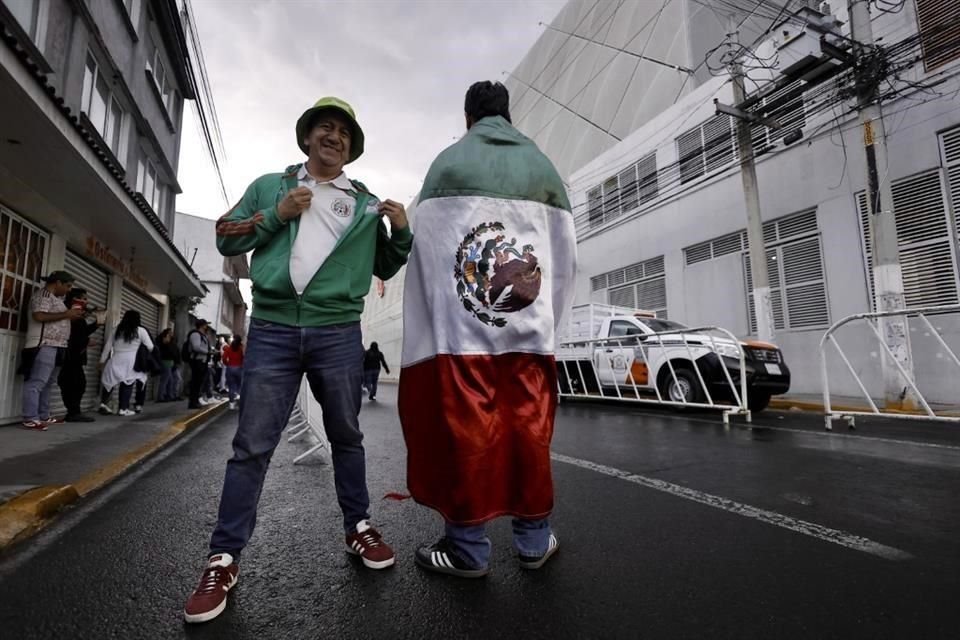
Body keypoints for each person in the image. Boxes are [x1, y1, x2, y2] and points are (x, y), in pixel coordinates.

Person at [183, 96, 412, 624]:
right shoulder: (272, 186)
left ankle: (358, 526)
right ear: (307, 137)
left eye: (344, 133)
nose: (334, 137)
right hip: (273, 327)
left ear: (350, 147)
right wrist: (274, 215)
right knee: (251, 445)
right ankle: (224, 557)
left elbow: (384, 261)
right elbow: (225, 232)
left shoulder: (363, 201)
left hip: (336, 330)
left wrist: (399, 231)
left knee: (347, 434)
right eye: (325, 129)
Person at [398, 81, 577, 577]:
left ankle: (467, 549)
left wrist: (437, 327)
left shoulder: (448, 166)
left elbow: (430, 260)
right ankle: (534, 542)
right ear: (507, 114)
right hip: (529, 330)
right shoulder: (544, 170)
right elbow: (563, 261)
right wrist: (544, 322)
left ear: (468, 118)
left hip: (462, 336)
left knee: (467, 431)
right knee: (530, 432)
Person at [21, 271, 82, 430]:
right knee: (37, 382)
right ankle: (30, 417)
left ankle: (44, 415)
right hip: (44, 344)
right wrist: (66, 314)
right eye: (67, 286)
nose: (69, 290)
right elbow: (39, 316)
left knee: (48, 383)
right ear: (58, 283)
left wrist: (69, 316)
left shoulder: (57, 299)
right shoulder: (44, 295)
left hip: (58, 346)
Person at [57, 287, 104, 422]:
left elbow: (82, 332)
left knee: (77, 383)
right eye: (83, 298)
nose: (86, 301)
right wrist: (86, 341)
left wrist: (97, 324)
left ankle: (73, 411)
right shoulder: (70, 313)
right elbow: (72, 334)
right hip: (70, 354)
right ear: (74, 299)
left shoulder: (78, 314)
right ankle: (73, 412)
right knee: (73, 383)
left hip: (76, 354)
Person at [99, 310, 155, 417]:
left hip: (116, 359)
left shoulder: (116, 330)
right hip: (131, 360)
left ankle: (103, 404)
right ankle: (123, 409)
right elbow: (150, 347)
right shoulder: (141, 331)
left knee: (109, 383)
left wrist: (102, 361)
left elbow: (107, 347)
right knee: (127, 384)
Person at [185, 319, 211, 410]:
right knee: (195, 382)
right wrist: (208, 352)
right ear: (202, 325)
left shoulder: (202, 335)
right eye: (205, 325)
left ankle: (195, 401)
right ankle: (192, 402)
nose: (206, 327)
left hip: (202, 361)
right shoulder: (195, 334)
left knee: (199, 382)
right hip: (197, 361)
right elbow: (196, 347)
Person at [156, 328, 182, 402]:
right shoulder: (163, 340)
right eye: (170, 332)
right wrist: (166, 342)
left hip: (171, 362)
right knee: (165, 380)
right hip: (165, 361)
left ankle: (169, 396)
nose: (171, 334)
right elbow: (165, 351)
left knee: (170, 380)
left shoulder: (172, 341)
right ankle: (161, 397)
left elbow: (175, 351)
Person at [221, 335, 244, 410]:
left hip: (230, 368)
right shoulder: (241, 348)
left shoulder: (229, 348)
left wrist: (227, 364)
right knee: (240, 386)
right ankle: (240, 403)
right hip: (239, 368)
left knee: (231, 387)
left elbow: (224, 358)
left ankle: (231, 404)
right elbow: (244, 357)